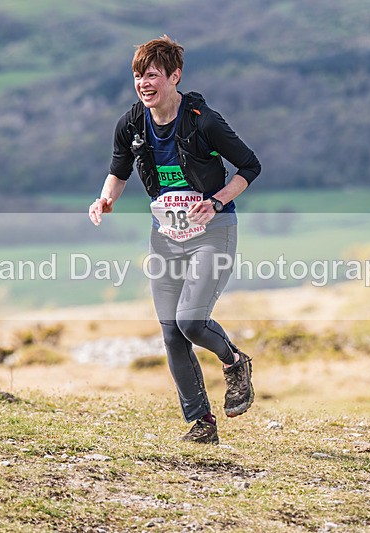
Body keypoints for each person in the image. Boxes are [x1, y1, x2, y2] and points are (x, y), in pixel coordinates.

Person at [88, 35, 261, 444]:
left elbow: (250, 166)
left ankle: (235, 361)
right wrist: (105, 199)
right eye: (137, 76)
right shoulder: (131, 123)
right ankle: (201, 423)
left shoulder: (204, 120)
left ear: (174, 76)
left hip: (212, 233)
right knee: (170, 331)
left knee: (191, 321)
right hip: (166, 236)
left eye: (151, 75)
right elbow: (119, 169)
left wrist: (217, 201)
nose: (143, 84)